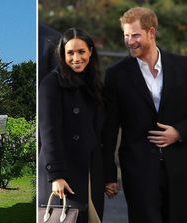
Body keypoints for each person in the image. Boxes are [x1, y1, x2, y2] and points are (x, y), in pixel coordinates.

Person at [103, 7, 187, 223]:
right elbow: (109, 128)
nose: (130, 41)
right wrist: (109, 174)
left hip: (179, 168)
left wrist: (179, 132)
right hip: (138, 170)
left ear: (152, 32)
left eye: (135, 35)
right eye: (126, 35)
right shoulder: (116, 75)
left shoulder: (182, 66)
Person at [39, 28, 105, 223]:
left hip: (90, 173)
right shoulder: (51, 84)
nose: (76, 58)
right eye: (70, 53)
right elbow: (48, 132)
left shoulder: (94, 86)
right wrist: (56, 175)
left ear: (90, 52)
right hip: (63, 173)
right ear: (62, 54)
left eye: (81, 52)